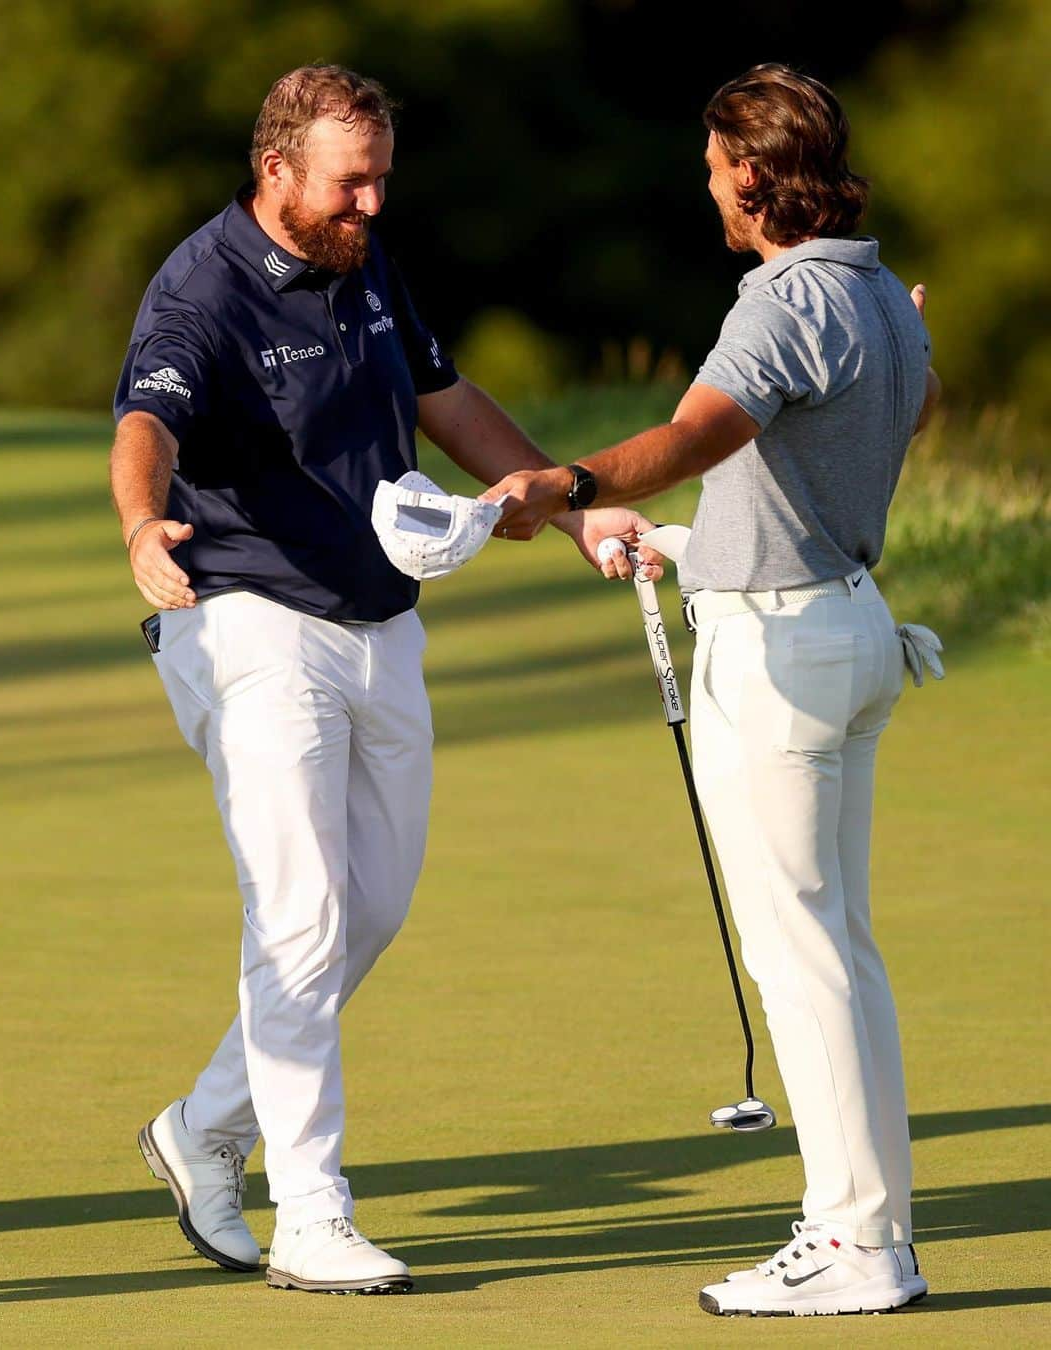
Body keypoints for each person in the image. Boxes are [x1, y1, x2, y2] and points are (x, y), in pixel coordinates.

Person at [111, 63, 644, 1296]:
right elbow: (146, 423)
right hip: (245, 618)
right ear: (277, 172)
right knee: (298, 913)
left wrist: (570, 513)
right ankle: (311, 1208)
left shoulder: (366, 266)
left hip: (381, 619)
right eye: (352, 184)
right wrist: (142, 527)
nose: (371, 205)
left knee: (370, 910)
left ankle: (199, 1131)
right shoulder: (201, 288)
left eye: (382, 181)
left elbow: (446, 397)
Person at [483, 63, 941, 1317]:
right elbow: (854, 445)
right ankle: (873, 1231)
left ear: (751, 176)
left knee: (803, 960)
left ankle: (856, 1246)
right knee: (836, 949)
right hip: (841, 626)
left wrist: (562, 486)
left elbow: (692, 437)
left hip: (781, 662)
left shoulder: (780, 303)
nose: (707, 192)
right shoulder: (879, 295)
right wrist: (683, 544)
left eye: (711, 172)